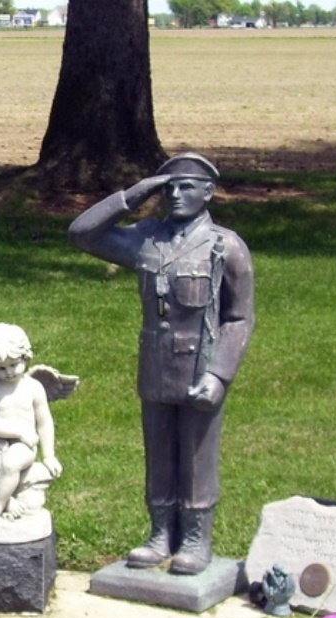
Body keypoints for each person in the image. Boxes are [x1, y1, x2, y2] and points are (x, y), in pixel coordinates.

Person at [68, 153, 254, 575]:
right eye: (168, 186)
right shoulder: (148, 239)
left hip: (200, 365)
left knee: (196, 454)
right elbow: (81, 233)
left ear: (209, 193)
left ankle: (195, 537)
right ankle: (160, 533)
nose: (175, 194)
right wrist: (134, 195)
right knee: (159, 454)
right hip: (156, 364)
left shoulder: (226, 246)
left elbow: (239, 317)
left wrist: (219, 374)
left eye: (187, 186)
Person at [0, 323, 62, 527]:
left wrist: (49, 456)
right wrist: (18, 432)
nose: (8, 372)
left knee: (11, 463)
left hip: (23, 446)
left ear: (25, 357)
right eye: (1, 368)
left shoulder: (33, 387)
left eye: (14, 364)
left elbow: (45, 422)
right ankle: (7, 501)